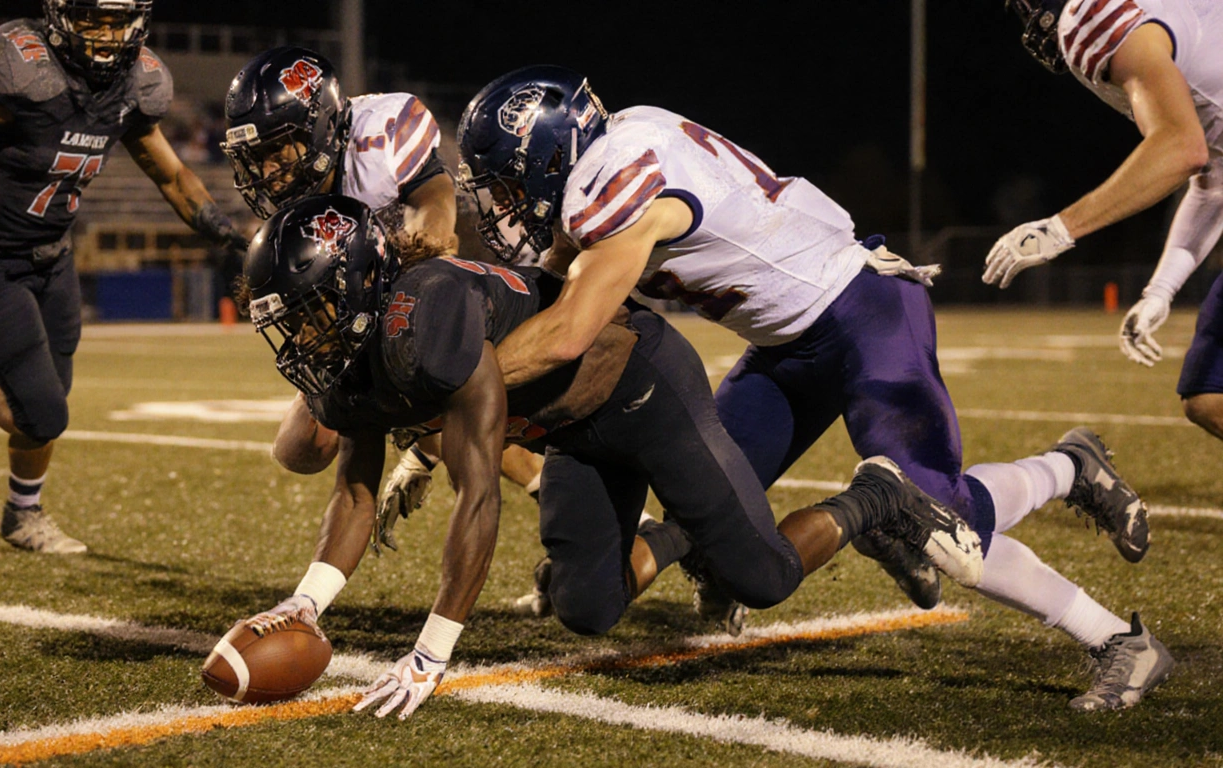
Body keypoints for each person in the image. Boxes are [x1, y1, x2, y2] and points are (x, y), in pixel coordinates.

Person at [456, 65, 1172, 711]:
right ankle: (1023, 482)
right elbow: (561, 271)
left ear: (550, 157)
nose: (502, 203)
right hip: (787, 344)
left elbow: (570, 329)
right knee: (704, 505)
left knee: (946, 527)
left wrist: (455, 386)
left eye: (507, 183)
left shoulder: (613, 188)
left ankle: (1114, 626)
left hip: (863, 313)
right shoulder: (622, 141)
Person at [230, 193, 982, 720]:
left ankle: (877, 495)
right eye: (287, 321)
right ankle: (687, 532)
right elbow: (353, 490)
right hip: (570, 432)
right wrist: (305, 603)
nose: (302, 338)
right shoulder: (353, 358)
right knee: (586, 609)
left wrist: (431, 652)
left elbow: (480, 492)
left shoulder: (428, 315)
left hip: (641, 391)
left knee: (763, 578)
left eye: (310, 313)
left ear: (361, 282)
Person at [0, 0, 249, 554]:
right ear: (60, 18)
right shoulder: (20, 73)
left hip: (54, 258)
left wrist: (222, 229)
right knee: (43, 414)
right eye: (91, 20)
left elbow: (173, 176)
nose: (105, 35)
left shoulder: (132, 89)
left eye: (116, 21)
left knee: (48, 402)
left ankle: (22, 515)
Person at [219, 46, 543, 540]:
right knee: (300, 446)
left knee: (464, 405)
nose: (266, 171)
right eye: (255, 156)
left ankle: (455, 445)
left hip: (444, 278)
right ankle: (434, 433)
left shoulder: (378, 137)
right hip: (369, 300)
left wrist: (409, 308)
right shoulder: (296, 187)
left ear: (321, 126)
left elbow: (437, 222)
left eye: (277, 149)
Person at [993, 0, 1223, 452]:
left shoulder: (1089, 14)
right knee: (1209, 397)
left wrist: (1059, 229)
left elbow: (1182, 147)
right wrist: (1160, 291)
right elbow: (1214, 185)